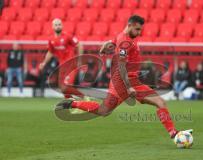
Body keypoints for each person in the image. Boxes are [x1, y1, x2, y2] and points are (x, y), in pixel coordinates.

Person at [56, 15, 192, 141]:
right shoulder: (124, 41)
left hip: (133, 81)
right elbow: (121, 66)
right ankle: (72, 103)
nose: (139, 32)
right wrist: (128, 87)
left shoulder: (123, 37)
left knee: (160, 103)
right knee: (104, 111)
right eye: (137, 29)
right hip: (122, 82)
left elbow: (114, 42)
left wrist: (107, 44)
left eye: (140, 30)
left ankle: (174, 133)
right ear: (130, 25)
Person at [39, 18, 85, 99]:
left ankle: (84, 97)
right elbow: (50, 52)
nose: (58, 26)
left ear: (62, 26)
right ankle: (72, 105)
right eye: (56, 25)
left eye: (59, 24)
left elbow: (79, 45)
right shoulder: (51, 40)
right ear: (52, 27)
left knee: (66, 86)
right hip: (62, 66)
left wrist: (80, 59)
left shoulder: (68, 36)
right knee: (63, 89)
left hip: (71, 64)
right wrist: (44, 63)